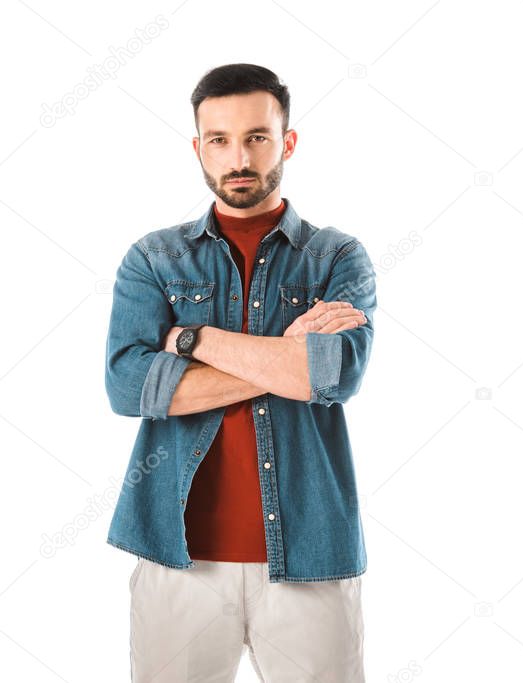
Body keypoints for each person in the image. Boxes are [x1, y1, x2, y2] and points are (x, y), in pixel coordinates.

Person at [104, 63, 376, 682]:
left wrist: (191, 339)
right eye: (220, 140)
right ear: (198, 147)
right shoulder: (154, 258)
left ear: (287, 141)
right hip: (178, 558)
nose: (239, 157)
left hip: (312, 557)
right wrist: (285, 356)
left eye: (257, 136)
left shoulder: (336, 257)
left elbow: (333, 378)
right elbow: (128, 386)